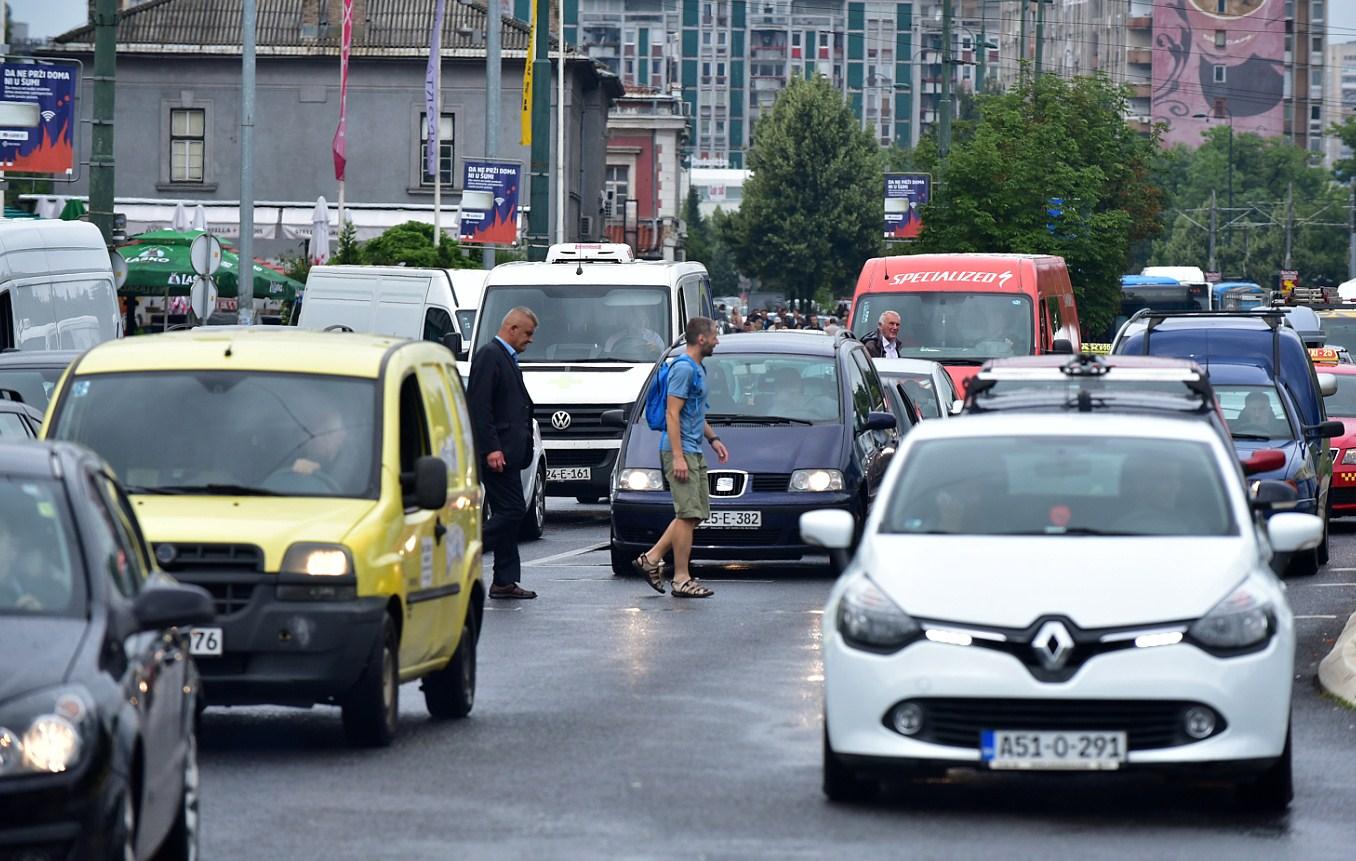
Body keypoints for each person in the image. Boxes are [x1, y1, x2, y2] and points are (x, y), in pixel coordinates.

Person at [632, 317, 729, 598]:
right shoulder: (684, 369)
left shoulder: (698, 368)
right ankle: (681, 578)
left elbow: (694, 412)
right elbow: (672, 414)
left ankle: (651, 558)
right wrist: (677, 457)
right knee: (687, 514)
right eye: (714, 336)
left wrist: (713, 439)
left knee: (695, 514)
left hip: (693, 448)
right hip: (680, 450)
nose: (717, 341)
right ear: (701, 339)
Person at [467, 307, 539, 600]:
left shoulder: (506, 358)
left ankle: (504, 581)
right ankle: (467, 550)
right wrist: (491, 448)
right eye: (528, 334)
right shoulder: (489, 355)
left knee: (507, 512)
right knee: (512, 511)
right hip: (497, 455)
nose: (530, 340)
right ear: (512, 329)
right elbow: (479, 406)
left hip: (509, 454)